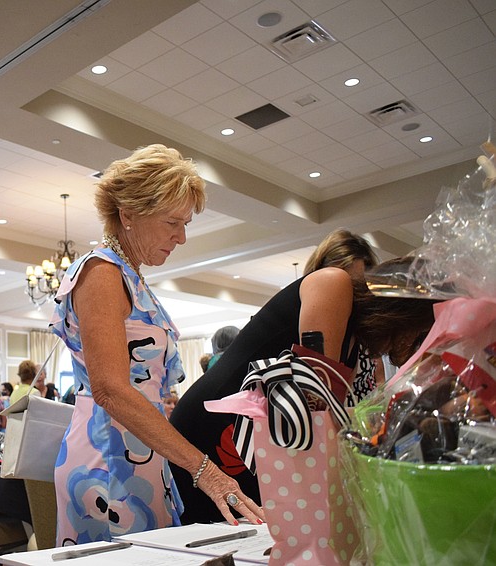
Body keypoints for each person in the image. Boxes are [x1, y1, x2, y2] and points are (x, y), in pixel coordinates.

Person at [50, 144, 264, 545]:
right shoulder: (102, 273)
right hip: (107, 461)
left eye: (184, 224)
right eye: (172, 222)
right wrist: (205, 470)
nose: (181, 237)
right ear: (128, 214)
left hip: (137, 453)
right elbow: (111, 390)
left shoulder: (129, 275)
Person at [170, 245, 437, 525]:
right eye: (422, 335)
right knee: (223, 534)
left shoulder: (361, 344)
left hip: (265, 438)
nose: (421, 350)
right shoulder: (332, 283)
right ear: (404, 314)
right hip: (214, 431)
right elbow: (314, 404)